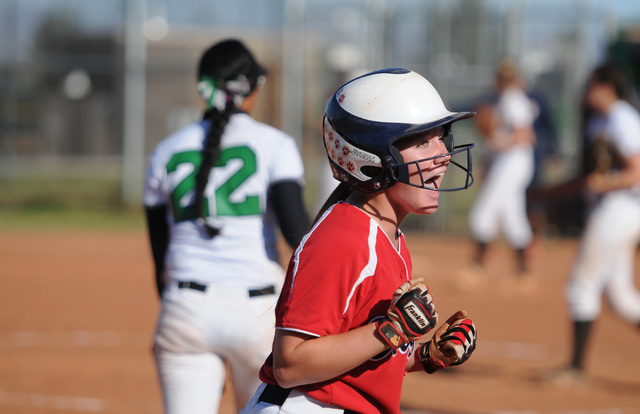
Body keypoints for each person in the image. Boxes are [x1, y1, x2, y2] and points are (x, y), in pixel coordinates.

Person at [239, 68, 478, 414]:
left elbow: (356, 355)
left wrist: (422, 355)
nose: (443, 155)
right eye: (424, 141)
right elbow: (290, 364)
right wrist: (391, 329)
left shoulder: (387, 234)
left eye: (442, 137)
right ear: (373, 159)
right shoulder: (343, 238)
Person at [143, 39, 311, 414]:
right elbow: (299, 236)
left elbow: (161, 259)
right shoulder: (275, 145)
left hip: (184, 310)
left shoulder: (164, 151)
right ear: (250, 90)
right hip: (258, 312)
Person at [544, 62, 640, 385]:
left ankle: (575, 369)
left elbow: (636, 172)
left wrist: (605, 184)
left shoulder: (621, 117)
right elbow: (587, 179)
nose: (587, 92)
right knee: (621, 298)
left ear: (607, 87)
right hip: (614, 210)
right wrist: (545, 193)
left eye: (592, 85)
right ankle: (575, 368)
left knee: (580, 285)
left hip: (620, 208)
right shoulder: (600, 121)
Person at [463, 59, 538, 291]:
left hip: (513, 164)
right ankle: (524, 273)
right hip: (512, 164)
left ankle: (476, 267)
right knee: (512, 216)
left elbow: (526, 136)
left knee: (484, 212)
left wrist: (497, 141)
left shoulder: (512, 98)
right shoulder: (514, 98)